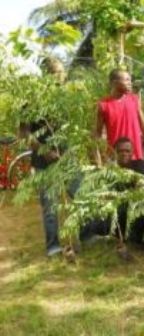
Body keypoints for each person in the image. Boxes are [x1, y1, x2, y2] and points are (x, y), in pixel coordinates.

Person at [19, 57, 69, 257]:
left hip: (68, 158)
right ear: (45, 76)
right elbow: (23, 134)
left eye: (62, 72)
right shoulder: (31, 101)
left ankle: (87, 235)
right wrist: (43, 150)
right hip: (44, 161)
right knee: (50, 206)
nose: (61, 76)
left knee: (80, 195)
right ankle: (53, 246)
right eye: (56, 72)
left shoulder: (67, 98)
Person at [79, 137, 144, 246]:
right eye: (120, 151)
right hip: (113, 208)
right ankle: (87, 237)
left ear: (132, 152)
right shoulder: (109, 171)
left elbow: (140, 190)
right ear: (115, 153)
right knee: (89, 210)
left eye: (127, 151)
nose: (124, 154)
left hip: (133, 209)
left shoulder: (140, 165)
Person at [96, 69, 144, 162]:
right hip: (115, 157)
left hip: (136, 155)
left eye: (130, 80)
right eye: (126, 80)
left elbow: (143, 125)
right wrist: (100, 157)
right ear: (114, 82)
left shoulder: (134, 99)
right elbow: (97, 134)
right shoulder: (103, 105)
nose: (130, 83)